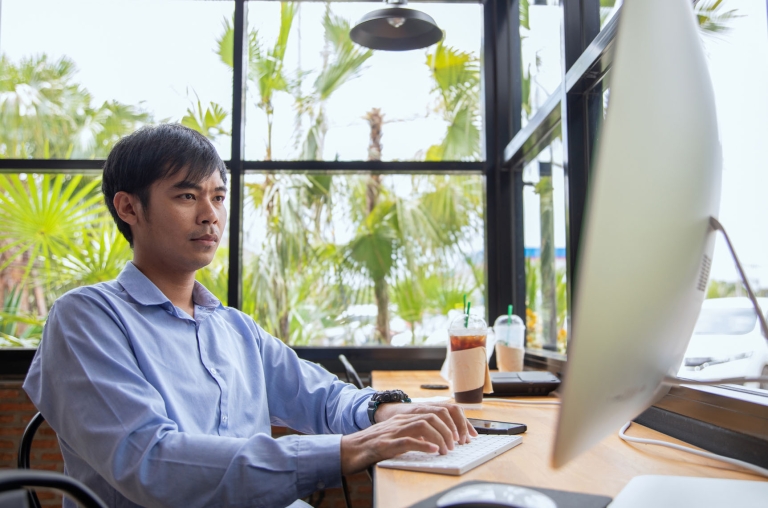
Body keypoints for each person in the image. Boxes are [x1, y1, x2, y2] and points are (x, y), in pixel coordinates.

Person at [23, 124, 477, 508]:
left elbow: (323, 398)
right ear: (129, 208)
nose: (210, 216)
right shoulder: (85, 318)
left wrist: (389, 411)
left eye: (218, 197)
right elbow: (151, 462)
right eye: (187, 196)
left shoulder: (233, 327)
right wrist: (349, 448)